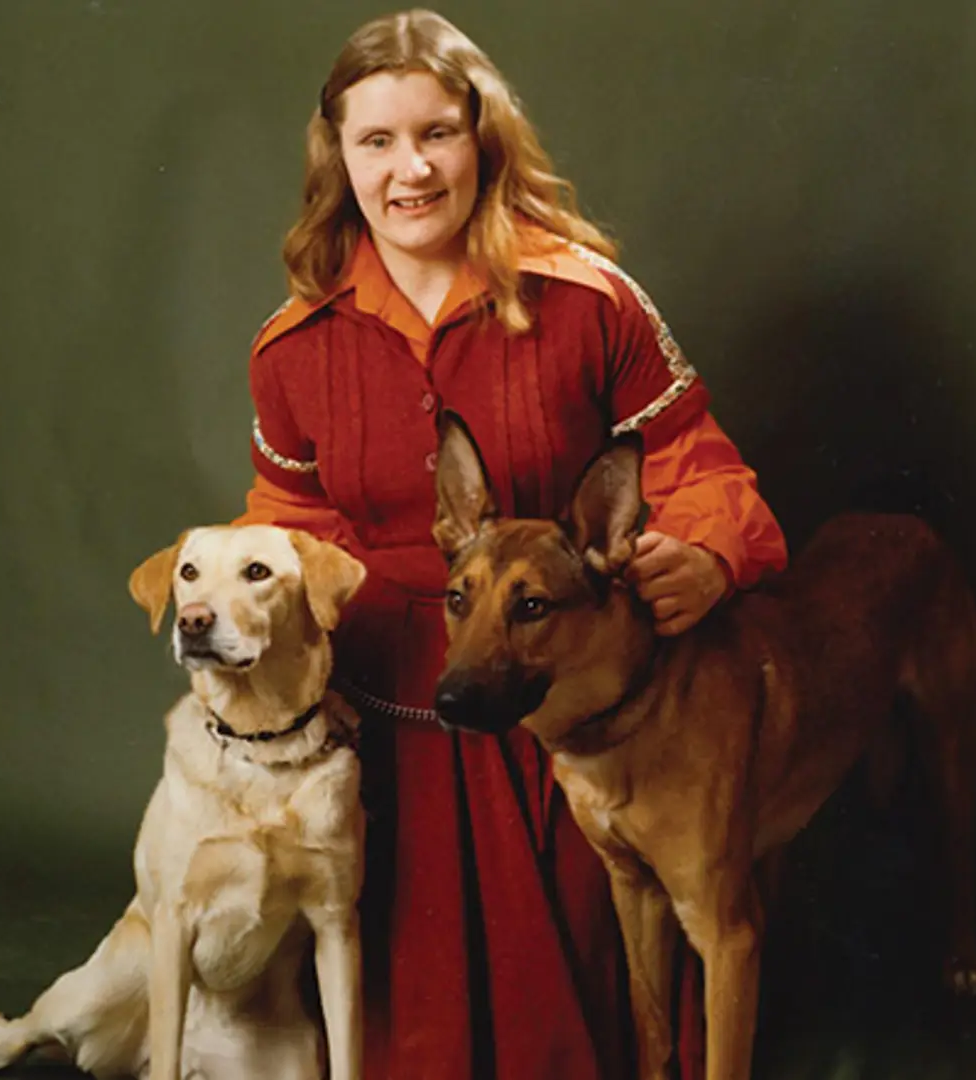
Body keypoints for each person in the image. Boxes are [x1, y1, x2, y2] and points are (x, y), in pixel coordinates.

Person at [226, 10, 789, 1077]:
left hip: (572, 705)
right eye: (376, 142)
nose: (409, 170)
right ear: (336, 158)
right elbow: (284, 531)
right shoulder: (292, 346)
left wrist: (709, 556)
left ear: (484, 140)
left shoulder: (588, 300)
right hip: (389, 710)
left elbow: (701, 467)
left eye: (436, 134)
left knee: (602, 1017)